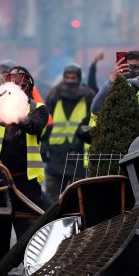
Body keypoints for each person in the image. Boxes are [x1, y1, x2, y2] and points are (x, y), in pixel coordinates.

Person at [0, 66, 49, 268]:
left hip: (25, 180)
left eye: (20, 79)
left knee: (30, 231)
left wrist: (16, 112)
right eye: (12, 79)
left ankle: (34, 271)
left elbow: (34, 126)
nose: (17, 83)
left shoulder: (39, 108)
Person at [43, 64, 95, 202]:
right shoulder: (54, 95)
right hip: (55, 154)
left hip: (78, 155)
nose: (70, 80)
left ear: (78, 78)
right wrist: (43, 144)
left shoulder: (88, 96)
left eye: (73, 77)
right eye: (67, 77)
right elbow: (46, 121)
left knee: (77, 199)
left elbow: (92, 122)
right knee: (52, 199)